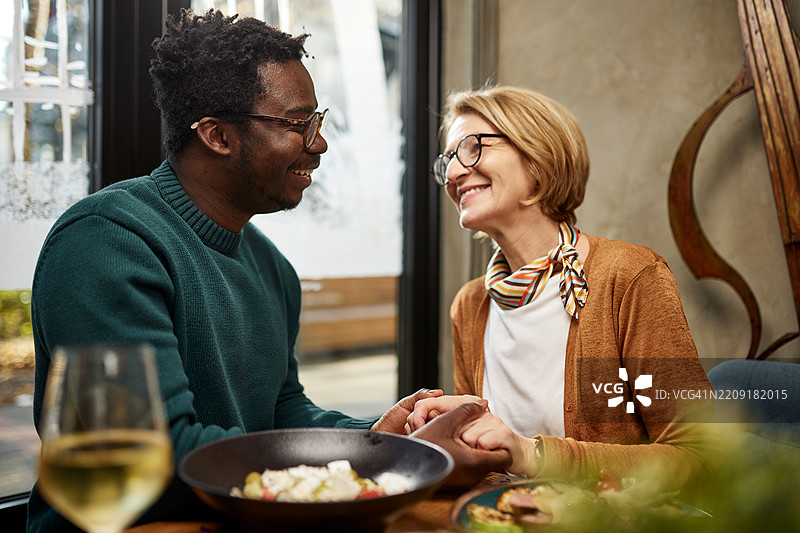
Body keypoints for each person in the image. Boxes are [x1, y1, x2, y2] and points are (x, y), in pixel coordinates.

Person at [26, 10, 508, 532]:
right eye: (298, 124)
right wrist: (389, 459)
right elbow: (159, 454)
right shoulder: (107, 241)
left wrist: (383, 434)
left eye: (316, 122)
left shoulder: (271, 265)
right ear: (217, 135)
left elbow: (281, 412)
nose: (319, 144)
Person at [406, 86, 716, 492]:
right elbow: (483, 463)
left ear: (538, 158)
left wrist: (533, 453)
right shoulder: (471, 305)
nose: (452, 173)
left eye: (471, 148)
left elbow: (702, 458)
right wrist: (450, 434)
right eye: (447, 159)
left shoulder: (629, 276)